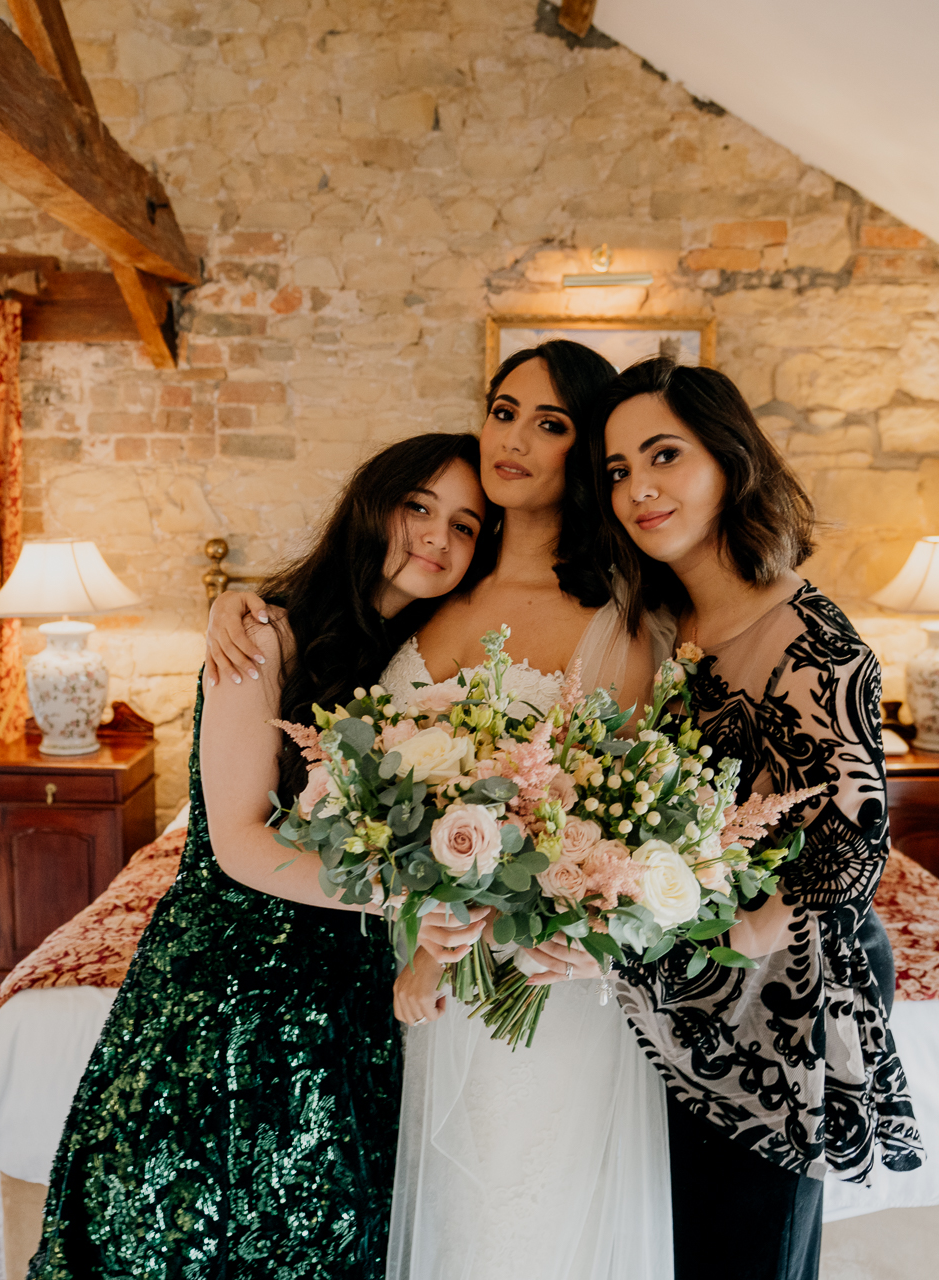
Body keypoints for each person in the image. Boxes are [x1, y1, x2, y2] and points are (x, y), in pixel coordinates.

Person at [206, 342, 672, 1280]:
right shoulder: (435, 579)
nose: (516, 440)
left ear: (583, 454)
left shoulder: (616, 615)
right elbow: (326, 677)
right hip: (400, 965)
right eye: (504, 411)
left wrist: (453, 915)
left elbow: (605, 827)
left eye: (552, 424)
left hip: (528, 973)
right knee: (437, 1214)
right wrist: (233, 597)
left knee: (519, 1213)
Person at [28, 433, 495, 1280]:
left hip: (348, 993)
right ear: (370, 503)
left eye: (465, 526)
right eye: (418, 506)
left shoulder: (427, 665)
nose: (437, 537)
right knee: (178, 1229)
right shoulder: (263, 634)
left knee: (321, 1234)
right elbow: (238, 840)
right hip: (231, 982)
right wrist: (400, 897)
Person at [590, 357, 922, 1280]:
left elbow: (854, 852)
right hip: (693, 988)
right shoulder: (667, 623)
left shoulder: (818, 641)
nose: (639, 489)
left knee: (749, 1254)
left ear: (730, 461)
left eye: (664, 456)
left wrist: (731, 936)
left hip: (779, 990)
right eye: (618, 472)